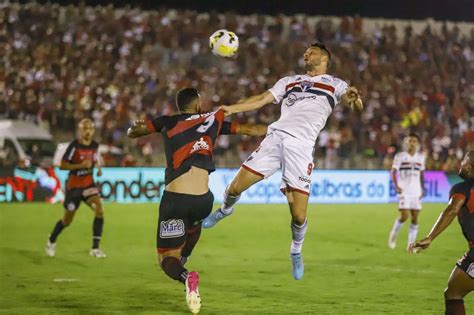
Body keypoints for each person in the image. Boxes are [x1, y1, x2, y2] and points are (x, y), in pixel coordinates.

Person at [202, 42, 363, 280]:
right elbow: (262, 99)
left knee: (298, 215)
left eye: (310, 51)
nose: (305, 54)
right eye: (305, 51)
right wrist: (232, 109)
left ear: (324, 57)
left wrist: (356, 99)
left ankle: (295, 250)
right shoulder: (289, 81)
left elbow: (356, 105)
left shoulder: (336, 84)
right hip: (275, 139)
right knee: (235, 187)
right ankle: (225, 210)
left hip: (301, 147)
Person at [127, 87, 266, 314]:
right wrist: (280, 130)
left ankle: (185, 275)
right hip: (203, 200)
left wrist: (135, 125)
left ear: (178, 105)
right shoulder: (212, 120)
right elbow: (251, 129)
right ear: (198, 103)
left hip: (176, 198)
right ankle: (186, 256)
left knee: (166, 259)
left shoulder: (167, 122)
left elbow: (134, 132)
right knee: (194, 224)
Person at [409, 151, 474, 315]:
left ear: (470, 166)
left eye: (464, 161)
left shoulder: (463, 189)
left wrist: (430, 237)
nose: (460, 163)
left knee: (453, 293)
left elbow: (452, 210)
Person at [45, 118, 106, 258]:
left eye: (90, 129)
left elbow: (95, 159)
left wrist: (98, 168)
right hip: (74, 188)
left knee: (99, 209)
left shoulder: (95, 145)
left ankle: (95, 249)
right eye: (85, 129)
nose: (88, 132)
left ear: (93, 131)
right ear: (80, 130)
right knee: (67, 220)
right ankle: (52, 239)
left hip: (89, 185)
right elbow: (63, 165)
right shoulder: (74, 146)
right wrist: (80, 165)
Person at [388, 133, 425, 250]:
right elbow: (393, 171)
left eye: (414, 141)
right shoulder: (400, 156)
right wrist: (396, 186)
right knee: (404, 216)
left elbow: (422, 174)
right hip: (404, 190)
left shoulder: (421, 157)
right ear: (406, 143)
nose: (411, 143)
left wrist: (422, 188)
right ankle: (392, 236)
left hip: (416, 191)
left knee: (415, 218)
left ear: (417, 144)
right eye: (409, 141)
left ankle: (411, 245)